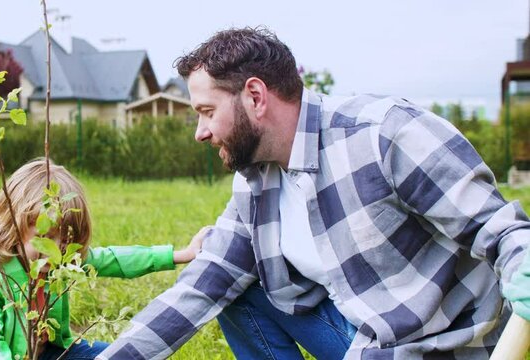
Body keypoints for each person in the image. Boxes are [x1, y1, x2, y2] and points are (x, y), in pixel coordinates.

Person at [97, 27, 530, 359]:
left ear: (255, 96)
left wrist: (522, 264)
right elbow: (198, 288)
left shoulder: (385, 134)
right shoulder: (256, 180)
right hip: (359, 331)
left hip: (432, 342)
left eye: (207, 112)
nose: (200, 132)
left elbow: (502, 230)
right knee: (235, 287)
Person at [0, 158, 208, 360]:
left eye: (66, 240)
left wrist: (180, 255)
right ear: (12, 225)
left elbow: (112, 260)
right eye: (45, 237)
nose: (58, 251)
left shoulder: (58, 263)